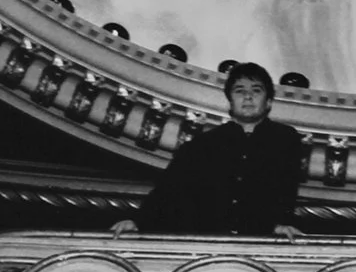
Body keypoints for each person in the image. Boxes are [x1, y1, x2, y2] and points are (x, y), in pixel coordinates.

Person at [114, 63, 302, 238]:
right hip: (208, 242)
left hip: (260, 242)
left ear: (268, 102)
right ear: (230, 101)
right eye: (239, 91)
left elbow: (286, 189)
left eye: (256, 90)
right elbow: (169, 188)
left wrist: (280, 224)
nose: (247, 96)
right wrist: (138, 221)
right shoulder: (203, 144)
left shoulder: (285, 139)